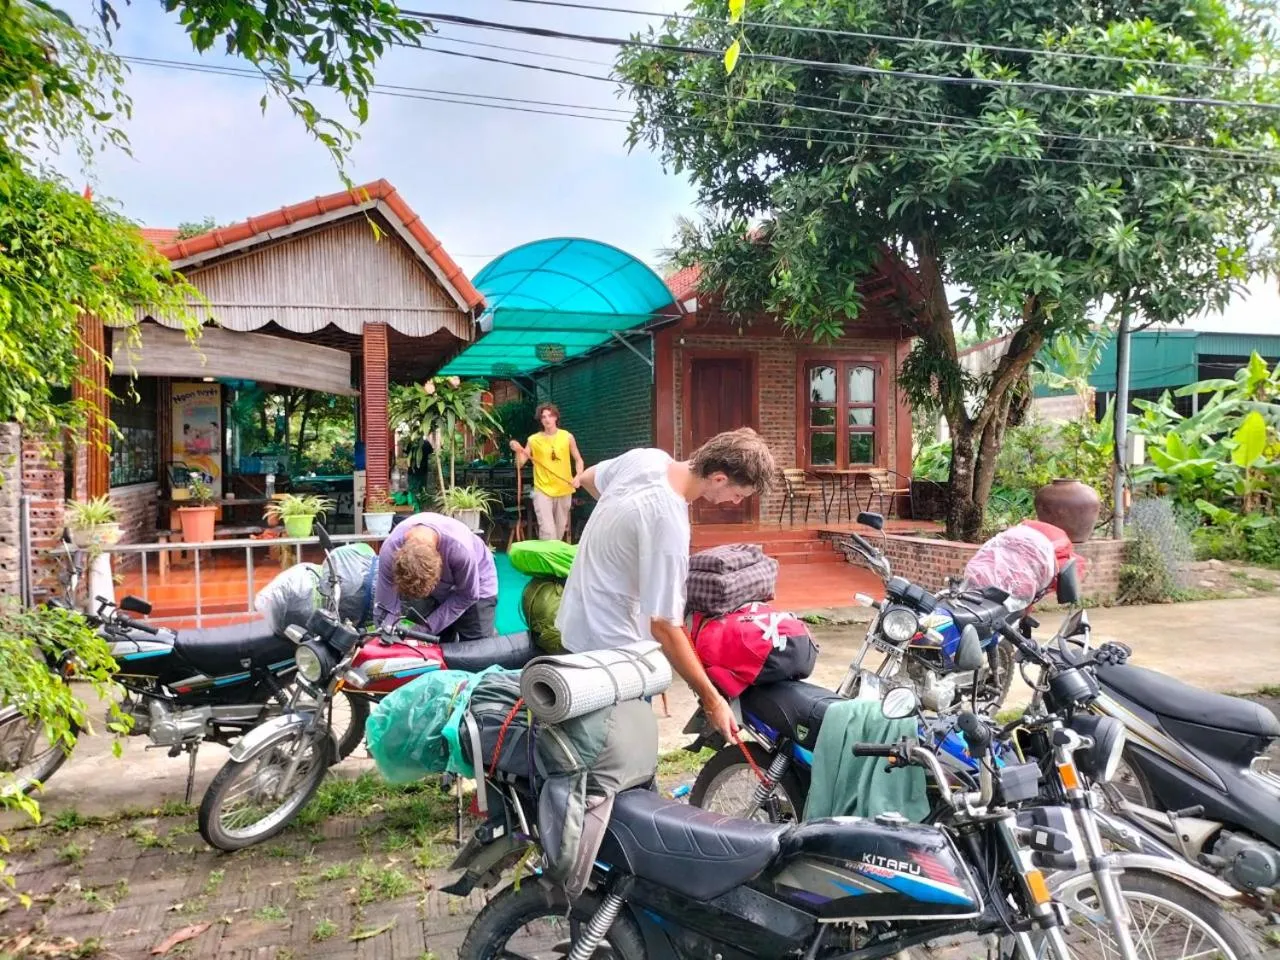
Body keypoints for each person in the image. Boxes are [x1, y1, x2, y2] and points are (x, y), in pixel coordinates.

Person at [556, 427, 777, 743]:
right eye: (738, 494)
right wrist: (713, 701)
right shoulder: (668, 523)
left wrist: (625, 529)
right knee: (625, 756)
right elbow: (664, 626)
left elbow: (589, 477)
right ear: (718, 479)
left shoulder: (647, 459)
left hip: (574, 627)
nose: (735, 502)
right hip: (617, 659)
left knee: (580, 748)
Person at [372, 511, 498, 642]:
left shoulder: (460, 551)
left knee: (476, 645)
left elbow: (468, 595)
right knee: (434, 643)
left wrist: (423, 629)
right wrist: (387, 633)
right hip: (438, 590)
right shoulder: (390, 551)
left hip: (476, 583)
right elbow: (384, 606)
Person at [509, 402, 585, 542]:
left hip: (564, 489)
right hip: (542, 490)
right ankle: (547, 554)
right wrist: (517, 448)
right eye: (543, 417)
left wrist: (578, 476)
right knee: (548, 531)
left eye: (550, 416)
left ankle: (550, 554)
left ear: (556, 417)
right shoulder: (533, 440)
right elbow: (520, 463)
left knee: (559, 531)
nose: (547, 419)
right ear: (540, 420)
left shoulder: (567, 437)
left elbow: (578, 460)